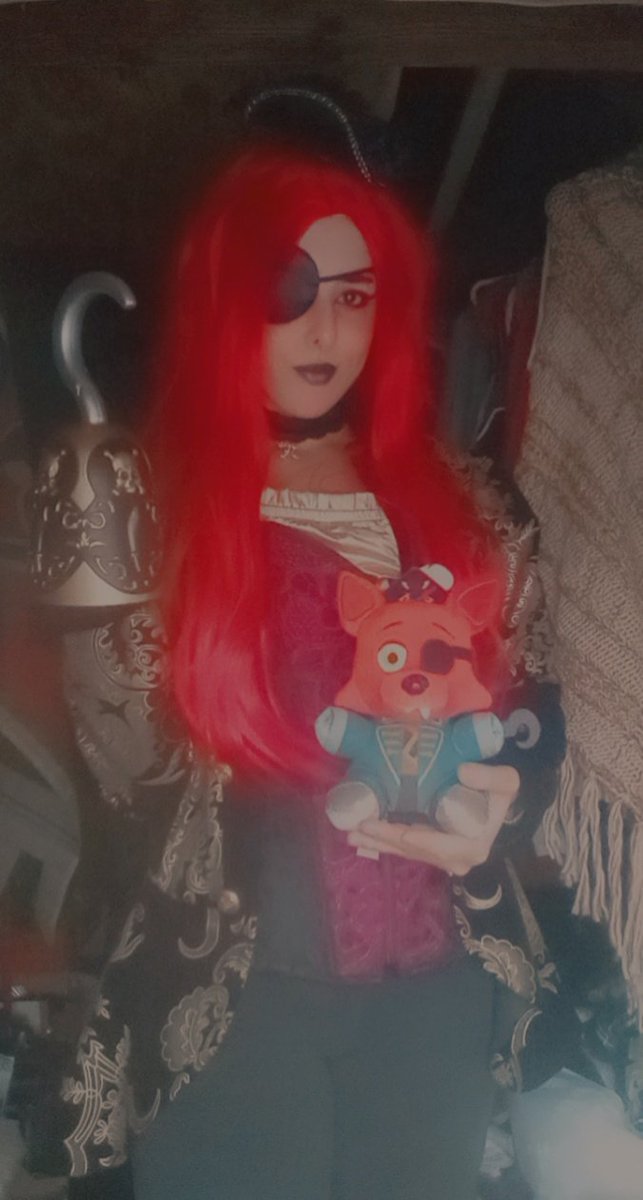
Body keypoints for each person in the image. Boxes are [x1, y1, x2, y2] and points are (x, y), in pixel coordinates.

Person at [59, 108, 569, 1200]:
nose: (324, 329)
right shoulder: (153, 508)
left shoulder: (467, 503)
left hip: (435, 993)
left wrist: (501, 804)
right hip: (235, 1001)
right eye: (287, 290)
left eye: (354, 294)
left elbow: (529, 710)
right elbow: (121, 778)